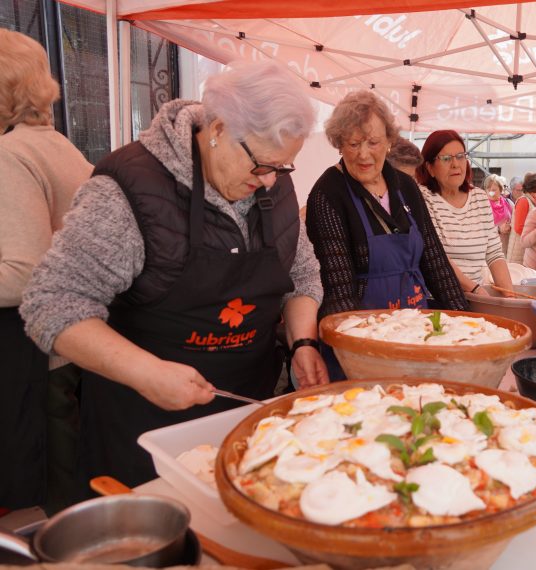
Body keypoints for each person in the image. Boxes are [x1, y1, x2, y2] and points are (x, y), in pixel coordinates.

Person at [21, 60, 328, 493]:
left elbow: (302, 274)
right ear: (218, 129)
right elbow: (51, 304)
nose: (269, 182)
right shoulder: (129, 189)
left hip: (247, 413)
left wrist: (303, 343)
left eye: (283, 168)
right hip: (144, 424)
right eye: (262, 166)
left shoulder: (271, 183)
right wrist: (147, 373)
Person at [307, 95, 467, 378]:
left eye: (373, 142)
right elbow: (338, 288)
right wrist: (362, 351)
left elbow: (434, 261)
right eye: (353, 144)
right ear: (339, 143)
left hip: (415, 332)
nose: (363, 154)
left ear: (389, 141)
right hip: (359, 341)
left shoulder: (405, 186)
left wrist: (465, 326)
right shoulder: (327, 194)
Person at [0, 29, 92, 511]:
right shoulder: (56, 144)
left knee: (48, 499)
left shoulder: (10, 155)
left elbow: (24, 272)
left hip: (38, 355)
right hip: (71, 345)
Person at [417, 130, 512, 295]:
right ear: (430, 167)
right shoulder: (422, 198)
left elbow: (494, 253)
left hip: (476, 298)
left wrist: (510, 297)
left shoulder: (479, 198)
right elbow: (435, 255)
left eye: (460, 156)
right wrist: (474, 289)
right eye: (446, 158)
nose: (455, 164)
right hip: (437, 299)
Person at [505, 172, 536, 265]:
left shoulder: (535, 201)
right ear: (535, 187)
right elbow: (519, 228)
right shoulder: (523, 201)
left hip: (527, 249)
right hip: (518, 251)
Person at [484, 173, 513, 253]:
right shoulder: (483, 206)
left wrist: (510, 226)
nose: (491, 192)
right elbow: (480, 229)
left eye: (494, 190)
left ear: (500, 190)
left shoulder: (508, 203)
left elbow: (515, 220)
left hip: (506, 247)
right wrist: (499, 229)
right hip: (489, 249)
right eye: (488, 189)